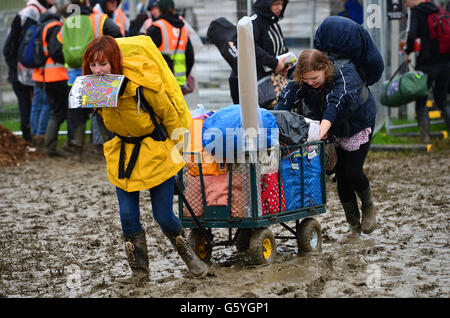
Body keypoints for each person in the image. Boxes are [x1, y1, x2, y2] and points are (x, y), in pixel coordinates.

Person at [81, 35, 207, 283]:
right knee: (127, 216)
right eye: (93, 65)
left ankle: (192, 260)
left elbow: (170, 116)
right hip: (123, 155)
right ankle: (139, 273)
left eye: (103, 64)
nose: (98, 71)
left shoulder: (142, 83)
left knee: (162, 215)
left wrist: (178, 149)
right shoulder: (94, 87)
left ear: (115, 61)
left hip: (156, 152)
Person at [275, 49, 377, 239]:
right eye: (306, 80)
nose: (311, 83)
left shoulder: (344, 74)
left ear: (324, 68)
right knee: (342, 177)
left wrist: (319, 133)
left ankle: (369, 205)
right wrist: (273, 120)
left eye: (314, 78)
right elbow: (286, 99)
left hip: (357, 123)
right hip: (333, 128)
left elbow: (334, 104)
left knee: (353, 171)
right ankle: (354, 224)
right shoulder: (304, 81)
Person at [57, 0, 122, 157]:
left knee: (76, 113)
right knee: (101, 111)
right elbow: (118, 36)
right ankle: (104, 146)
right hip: (98, 76)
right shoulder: (99, 19)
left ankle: (76, 147)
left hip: (74, 77)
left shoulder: (66, 23)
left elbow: (57, 47)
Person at [3, 0, 57, 143]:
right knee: (27, 107)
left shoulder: (48, 11)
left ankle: (34, 141)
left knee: (37, 105)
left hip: (35, 71)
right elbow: (19, 46)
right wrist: (18, 70)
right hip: (22, 72)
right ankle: (28, 142)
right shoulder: (31, 13)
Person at [403, 0, 450, 144]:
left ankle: (425, 137)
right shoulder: (438, 9)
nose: (405, 4)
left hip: (427, 63)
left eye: (406, 1)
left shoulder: (417, 12)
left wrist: (407, 52)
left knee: (421, 100)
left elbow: (411, 36)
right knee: (442, 100)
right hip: (446, 62)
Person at [230, 0, 291, 108]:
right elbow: (249, 46)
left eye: (282, 4)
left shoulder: (274, 22)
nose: (280, 7)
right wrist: (274, 63)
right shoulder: (254, 21)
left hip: (276, 81)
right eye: (276, 4)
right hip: (259, 83)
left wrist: (286, 64)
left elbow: (280, 47)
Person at [146, 0, 195, 93]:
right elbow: (190, 57)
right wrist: (183, 76)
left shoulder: (157, 27)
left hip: (161, 82)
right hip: (178, 83)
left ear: (159, 10)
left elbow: (145, 54)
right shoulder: (182, 28)